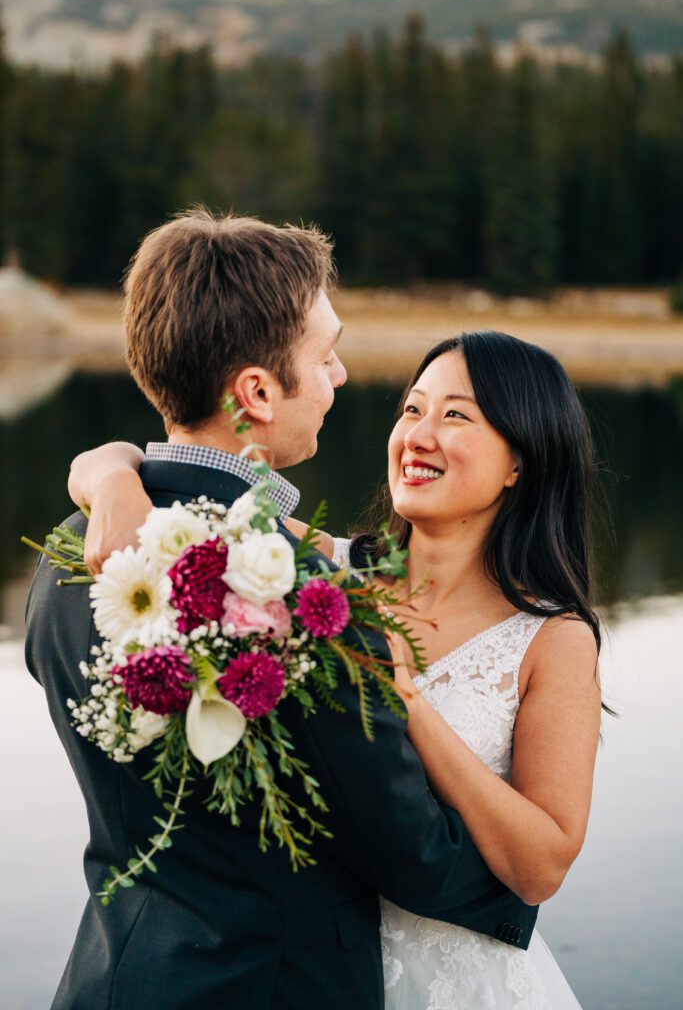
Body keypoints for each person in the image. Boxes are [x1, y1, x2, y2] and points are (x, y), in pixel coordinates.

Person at [25, 209, 534, 1010]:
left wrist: (109, 468)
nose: (338, 378)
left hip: (111, 980)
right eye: (324, 356)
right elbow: (412, 853)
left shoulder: (66, 553)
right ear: (257, 392)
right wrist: (526, 889)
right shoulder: (299, 602)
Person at [71, 328, 603, 1009]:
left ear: (518, 463)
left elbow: (541, 865)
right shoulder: (321, 571)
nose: (418, 435)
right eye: (411, 409)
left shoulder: (550, 637)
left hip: (455, 980)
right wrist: (115, 480)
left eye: (455, 415)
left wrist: (407, 701)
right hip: (304, 968)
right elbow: (176, 466)